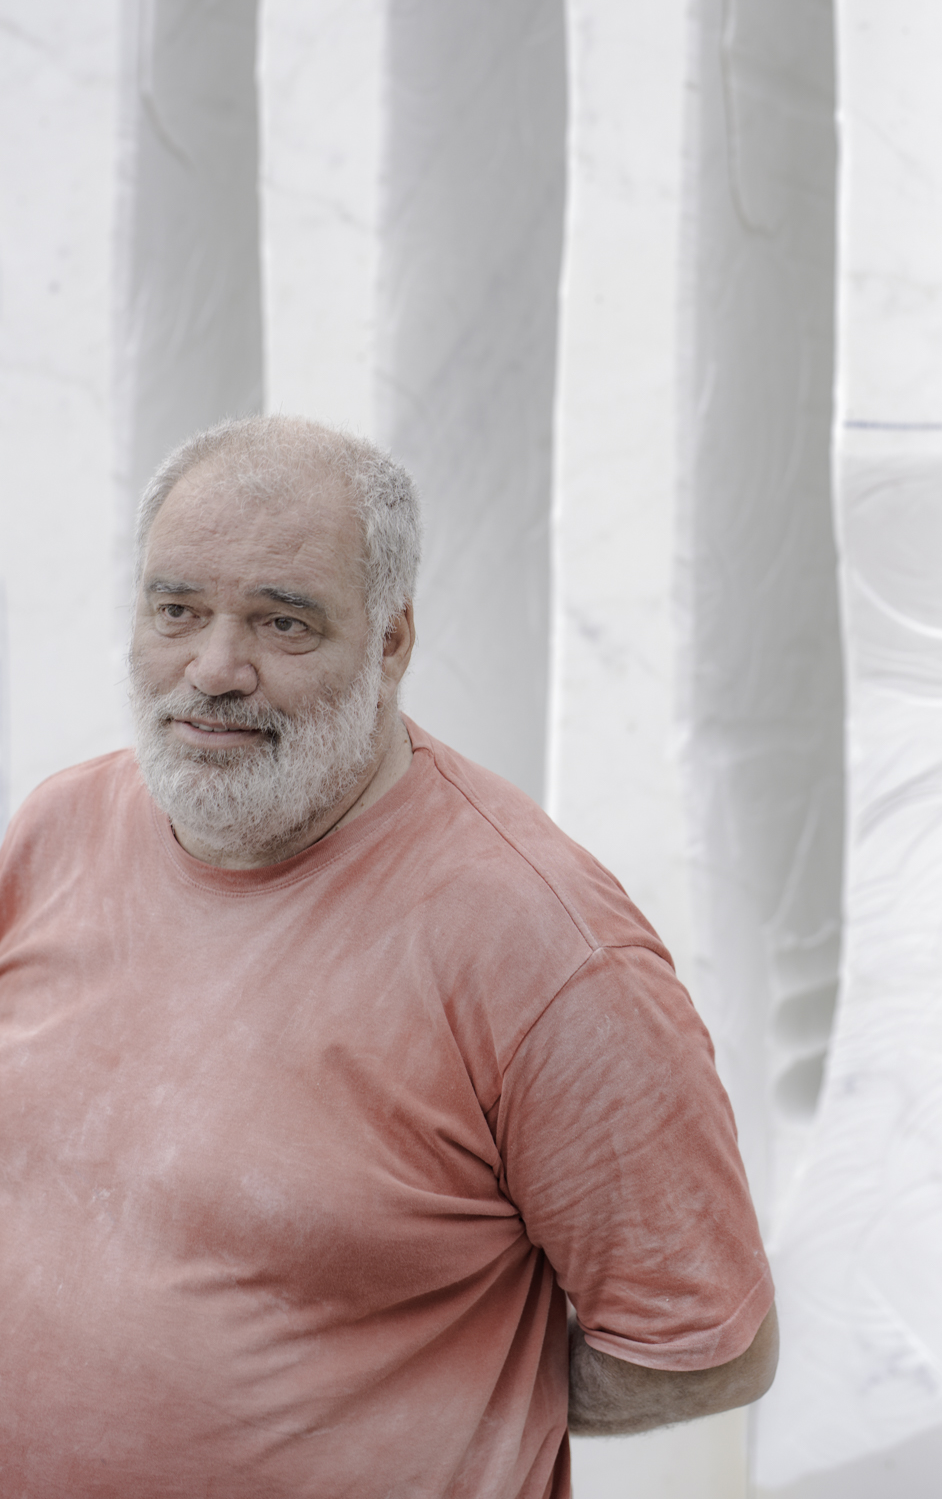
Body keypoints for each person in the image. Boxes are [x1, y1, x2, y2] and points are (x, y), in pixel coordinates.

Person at [0, 416, 776, 1497]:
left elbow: (702, 1349)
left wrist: (439, 1404)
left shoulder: (544, 945)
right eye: (176, 610)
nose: (215, 669)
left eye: (284, 622)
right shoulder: (57, 829)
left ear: (391, 642)